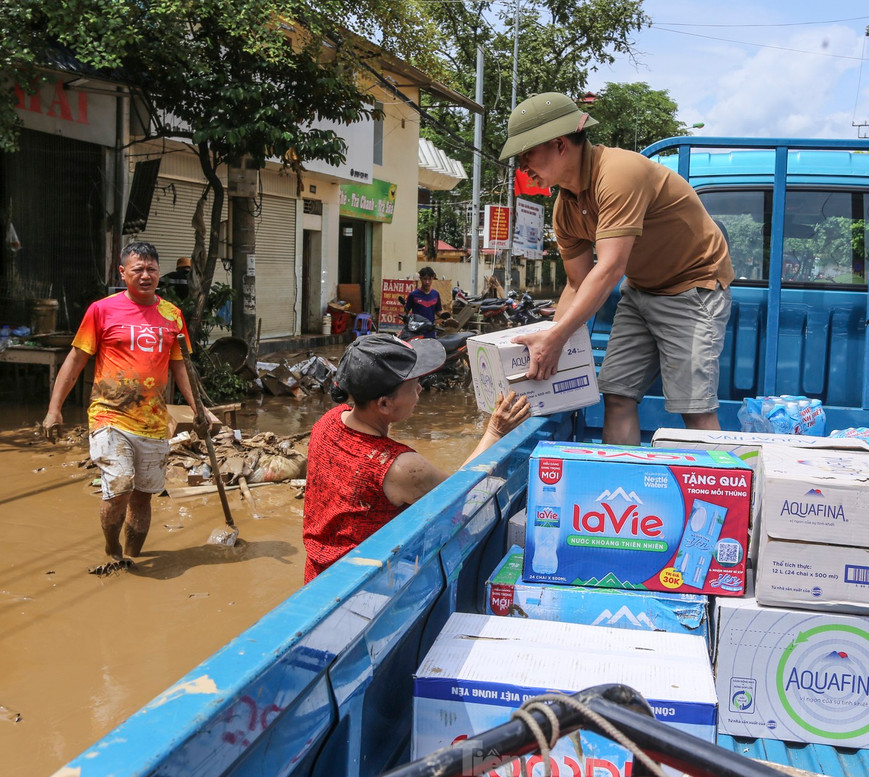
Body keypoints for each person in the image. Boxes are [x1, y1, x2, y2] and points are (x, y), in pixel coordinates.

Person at [498, 92, 733, 446]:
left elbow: (609, 268)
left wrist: (556, 338)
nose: (523, 165)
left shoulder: (618, 173)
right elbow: (577, 282)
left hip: (693, 287)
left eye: (527, 153)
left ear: (559, 144)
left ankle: (715, 482)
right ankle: (623, 478)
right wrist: (549, 338)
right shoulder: (565, 208)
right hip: (641, 290)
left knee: (694, 408)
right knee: (617, 393)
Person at [303, 334, 529, 583]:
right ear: (384, 404)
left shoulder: (329, 421)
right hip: (363, 586)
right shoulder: (401, 468)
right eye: (413, 384)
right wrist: (495, 432)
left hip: (318, 576)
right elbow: (460, 495)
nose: (420, 389)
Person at [42, 241, 211, 568]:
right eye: (138, 270)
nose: (146, 276)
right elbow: (75, 360)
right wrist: (54, 409)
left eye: (151, 269)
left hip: (153, 420)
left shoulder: (172, 315)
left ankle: (132, 558)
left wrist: (198, 410)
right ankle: (112, 549)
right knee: (120, 486)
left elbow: (181, 368)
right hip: (109, 415)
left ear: (159, 272)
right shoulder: (101, 310)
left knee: (143, 497)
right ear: (123, 273)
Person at [404, 266, 442, 338]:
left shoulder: (435, 294)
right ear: (420, 278)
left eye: (429, 279)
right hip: (416, 332)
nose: (427, 282)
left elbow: (438, 312)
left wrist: (446, 318)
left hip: (430, 332)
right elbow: (406, 311)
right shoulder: (413, 295)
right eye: (425, 279)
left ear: (433, 278)